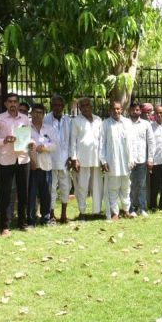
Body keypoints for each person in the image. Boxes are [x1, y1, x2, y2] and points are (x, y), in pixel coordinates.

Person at [0, 93, 34, 237]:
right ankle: (5, 226)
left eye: (15, 102)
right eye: (10, 102)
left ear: (18, 103)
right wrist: (4, 140)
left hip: (23, 159)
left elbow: (29, 137)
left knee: (23, 194)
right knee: (5, 194)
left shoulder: (25, 118)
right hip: (6, 160)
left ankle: (22, 223)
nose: (13, 104)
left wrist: (31, 143)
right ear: (6, 104)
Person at [70, 97, 103, 220]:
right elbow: (72, 141)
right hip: (82, 159)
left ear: (91, 106)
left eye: (87, 105)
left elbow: (102, 140)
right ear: (79, 108)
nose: (85, 108)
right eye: (82, 106)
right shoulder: (76, 121)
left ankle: (97, 211)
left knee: (97, 186)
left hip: (96, 158)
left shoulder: (98, 120)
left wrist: (103, 159)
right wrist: (74, 158)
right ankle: (82, 212)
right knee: (82, 186)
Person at [101, 101, 135, 220]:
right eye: (114, 109)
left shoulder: (127, 122)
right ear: (110, 110)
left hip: (126, 161)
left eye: (118, 109)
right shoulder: (105, 124)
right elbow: (102, 143)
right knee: (113, 188)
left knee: (126, 187)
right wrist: (103, 160)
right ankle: (115, 212)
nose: (116, 111)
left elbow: (133, 142)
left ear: (121, 110)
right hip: (112, 161)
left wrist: (133, 158)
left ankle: (126, 210)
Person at [27, 103, 57, 226]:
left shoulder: (49, 129)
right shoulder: (25, 128)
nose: (37, 115)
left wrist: (44, 147)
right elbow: (21, 146)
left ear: (44, 115)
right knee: (31, 195)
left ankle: (45, 218)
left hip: (46, 165)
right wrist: (30, 160)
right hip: (31, 166)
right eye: (35, 112)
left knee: (46, 194)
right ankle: (30, 220)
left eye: (40, 113)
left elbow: (55, 145)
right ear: (31, 113)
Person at [43, 95, 72, 224]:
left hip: (65, 159)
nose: (57, 107)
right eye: (55, 105)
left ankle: (64, 214)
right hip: (50, 159)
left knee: (66, 187)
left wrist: (71, 157)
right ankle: (52, 214)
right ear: (51, 106)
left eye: (60, 105)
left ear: (63, 107)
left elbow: (71, 140)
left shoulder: (68, 120)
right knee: (52, 188)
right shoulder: (46, 119)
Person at [128, 101, 154, 216]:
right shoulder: (125, 124)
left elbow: (151, 142)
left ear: (140, 111)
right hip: (129, 160)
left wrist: (150, 159)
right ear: (129, 111)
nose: (135, 111)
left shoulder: (146, 124)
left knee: (142, 185)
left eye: (137, 110)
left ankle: (142, 208)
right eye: (133, 109)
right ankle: (131, 208)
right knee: (130, 185)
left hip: (142, 159)